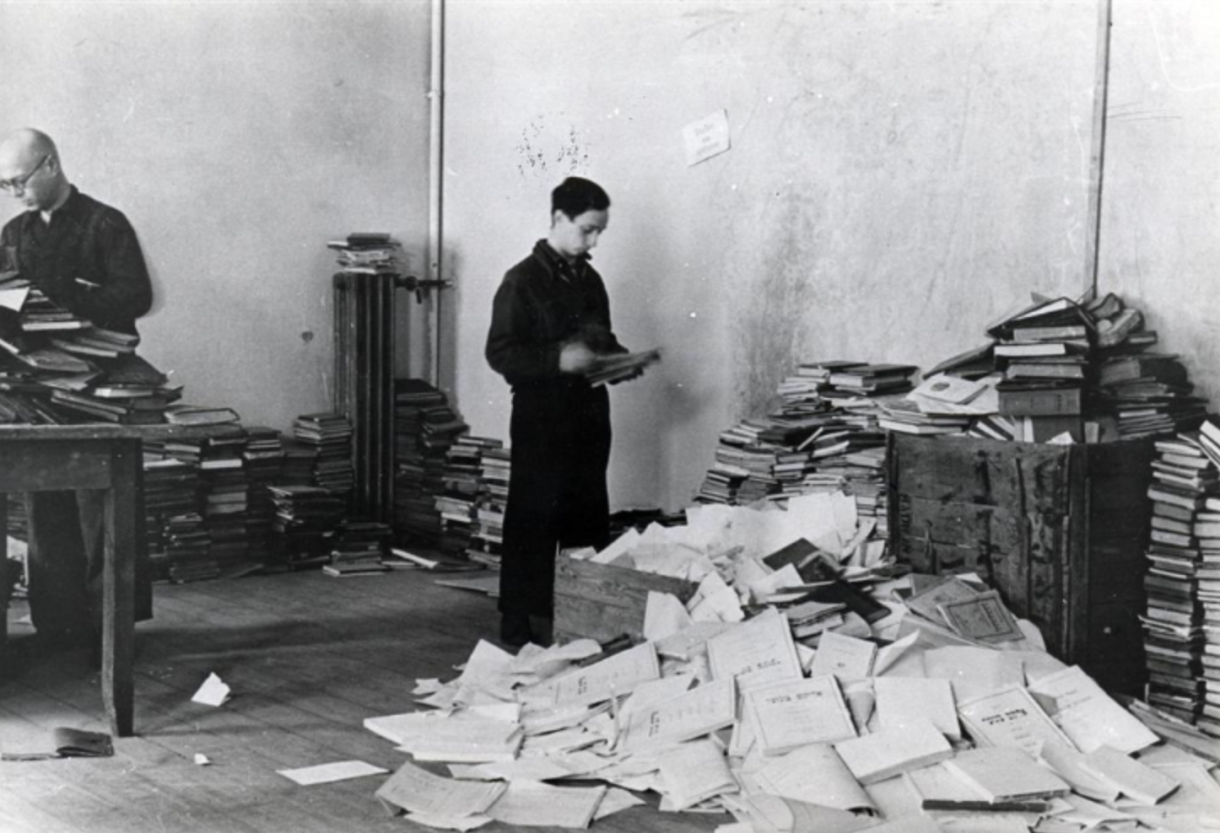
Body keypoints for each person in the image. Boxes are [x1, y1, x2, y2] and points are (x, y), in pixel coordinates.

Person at [0, 127, 153, 651]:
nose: (14, 193)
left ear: (51, 165)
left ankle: (110, 629)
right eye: (5, 185)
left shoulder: (104, 223)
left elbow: (136, 295)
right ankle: (58, 626)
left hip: (97, 384)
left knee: (101, 506)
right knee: (44, 502)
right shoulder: (13, 233)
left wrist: (66, 301)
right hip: (39, 385)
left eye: (19, 181)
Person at [485, 177, 639, 647]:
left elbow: (602, 341)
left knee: (586, 514)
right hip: (541, 415)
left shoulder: (590, 280)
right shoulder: (521, 281)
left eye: (600, 232)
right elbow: (500, 353)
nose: (594, 242)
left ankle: (575, 613)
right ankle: (517, 616)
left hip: (589, 414)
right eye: (588, 230)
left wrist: (619, 362)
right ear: (558, 219)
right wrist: (557, 360)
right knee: (533, 515)